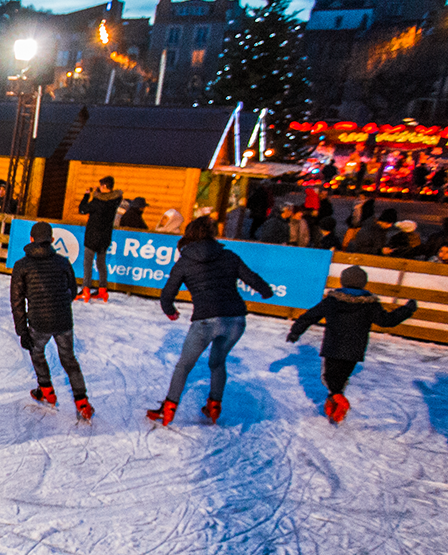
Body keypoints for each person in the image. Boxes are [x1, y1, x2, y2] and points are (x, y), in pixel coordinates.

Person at [147, 215, 274, 424]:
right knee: (217, 362)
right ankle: (214, 405)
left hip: (206, 320)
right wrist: (265, 290)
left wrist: (170, 311)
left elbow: (167, 294)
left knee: (184, 366)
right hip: (235, 319)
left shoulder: (185, 262)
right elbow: (251, 277)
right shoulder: (228, 255)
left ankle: (168, 408)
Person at [285, 265, 417, 423]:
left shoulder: (332, 301)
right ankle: (334, 404)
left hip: (333, 346)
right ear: (364, 283)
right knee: (342, 377)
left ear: (342, 282)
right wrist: (407, 310)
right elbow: (387, 321)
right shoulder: (370, 304)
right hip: (355, 349)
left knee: (328, 378)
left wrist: (295, 331)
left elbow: (310, 316)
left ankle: (337, 399)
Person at [9, 221, 93, 419]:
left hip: (39, 322)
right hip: (64, 320)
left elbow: (17, 301)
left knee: (36, 352)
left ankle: (46, 389)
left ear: (31, 239)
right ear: (52, 240)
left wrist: (22, 331)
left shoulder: (22, 266)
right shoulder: (63, 262)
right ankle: (82, 401)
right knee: (69, 359)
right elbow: (72, 291)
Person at [78, 177, 122, 300]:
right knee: (101, 263)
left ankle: (86, 288)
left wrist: (87, 195)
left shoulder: (97, 202)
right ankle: (103, 288)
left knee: (87, 263)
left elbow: (82, 209)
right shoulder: (115, 201)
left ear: (103, 186)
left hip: (92, 236)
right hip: (105, 237)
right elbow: (111, 197)